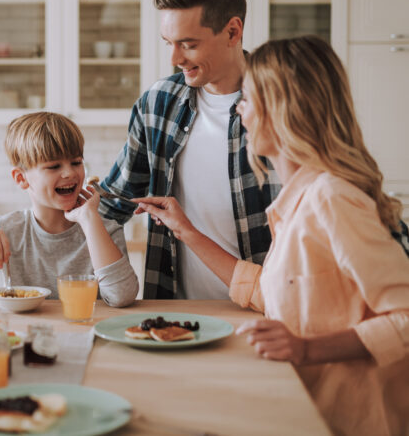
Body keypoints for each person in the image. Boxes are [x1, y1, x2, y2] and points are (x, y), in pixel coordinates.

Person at [134, 36, 409, 436]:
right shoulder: (297, 198)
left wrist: (306, 348)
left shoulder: (331, 198)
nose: (240, 112)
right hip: (299, 408)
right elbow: (274, 292)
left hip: (348, 421)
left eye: (247, 99)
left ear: (281, 108)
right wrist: (187, 232)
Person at [98, 0, 280, 299]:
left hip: (266, 314)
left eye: (188, 44)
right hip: (178, 317)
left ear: (232, 31)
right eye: (169, 42)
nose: (175, 58)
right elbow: (111, 206)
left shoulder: (283, 104)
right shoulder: (158, 104)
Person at [0, 111, 139, 307]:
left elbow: (121, 297)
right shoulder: (8, 230)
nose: (70, 173)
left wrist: (90, 221)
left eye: (76, 162)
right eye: (54, 166)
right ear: (21, 178)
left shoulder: (105, 230)